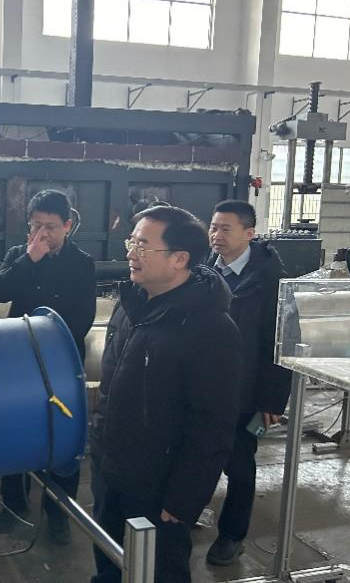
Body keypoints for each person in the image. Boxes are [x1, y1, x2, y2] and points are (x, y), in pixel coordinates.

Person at [91, 205, 242, 582]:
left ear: (179, 259)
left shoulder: (210, 327)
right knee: (109, 561)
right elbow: (111, 386)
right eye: (131, 242)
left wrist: (184, 498)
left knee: (161, 571)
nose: (131, 253)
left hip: (159, 486)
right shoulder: (130, 305)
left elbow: (213, 423)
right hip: (112, 471)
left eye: (143, 245)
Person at [0, 189, 96, 545]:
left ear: (67, 225)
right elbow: (0, 291)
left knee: (61, 435)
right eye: (36, 226)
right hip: (19, 362)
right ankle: (14, 504)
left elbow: (83, 318)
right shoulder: (18, 255)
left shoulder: (82, 263)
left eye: (50, 227)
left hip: (63, 362)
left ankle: (59, 512)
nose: (42, 234)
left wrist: (52, 346)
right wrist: (29, 261)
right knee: (16, 430)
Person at [205, 200, 289, 565]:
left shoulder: (271, 279)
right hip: (205, 387)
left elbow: (280, 340)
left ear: (249, 233)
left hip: (245, 391)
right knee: (196, 455)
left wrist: (273, 400)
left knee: (239, 465)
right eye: (213, 227)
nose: (216, 235)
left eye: (226, 229)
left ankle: (232, 534)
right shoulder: (207, 269)